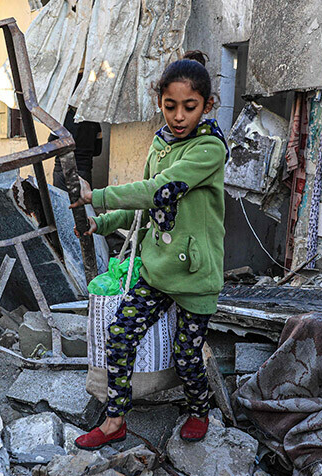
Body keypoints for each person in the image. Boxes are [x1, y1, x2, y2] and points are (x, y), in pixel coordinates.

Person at [70, 51, 227, 448]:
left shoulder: (208, 150)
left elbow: (160, 190)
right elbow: (144, 208)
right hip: (155, 268)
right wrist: (100, 222)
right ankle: (114, 419)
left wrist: (98, 195)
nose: (178, 116)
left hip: (195, 275)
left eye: (189, 107)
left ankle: (198, 409)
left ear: (206, 106)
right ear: (160, 103)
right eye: (170, 106)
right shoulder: (159, 143)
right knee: (120, 335)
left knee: (188, 355)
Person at [49, 106, 102, 191]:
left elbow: (51, 145)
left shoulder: (62, 119)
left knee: (61, 202)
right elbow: (97, 151)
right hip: (83, 170)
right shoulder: (95, 123)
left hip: (62, 170)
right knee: (80, 203)